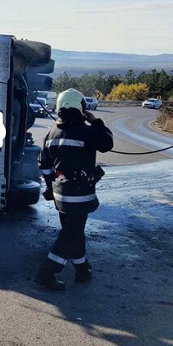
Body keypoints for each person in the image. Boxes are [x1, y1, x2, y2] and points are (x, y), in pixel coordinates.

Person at [35, 88, 113, 290]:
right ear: (82, 108)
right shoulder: (88, 132)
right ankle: (46, 273)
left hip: (59, 194)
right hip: (79, 194)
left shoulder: (51, 133)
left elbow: (43, 165)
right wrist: (96, 121)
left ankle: (82, 270)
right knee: (71, 234)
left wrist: (51, 185)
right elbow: (108, 143)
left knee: (74, 231)